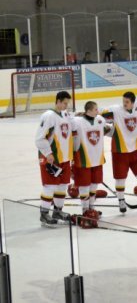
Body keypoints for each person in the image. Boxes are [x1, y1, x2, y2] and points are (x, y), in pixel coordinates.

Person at [101, 92, 137, 213]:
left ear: (133, 102)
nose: (124, 104)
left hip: (135, 150)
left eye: (127, 102)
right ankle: (121, 200)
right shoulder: (116, 110)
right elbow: (100, 113)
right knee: (120, 178)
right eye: (123, 101)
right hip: (120, 151)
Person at [36, 91, 74, 226]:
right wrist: (48, 153)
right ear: (57, 101)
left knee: (62, 186)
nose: (66, 106)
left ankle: (57, 211)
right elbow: (39, 138)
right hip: (51, 158)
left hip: (64, 157)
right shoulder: (49, 116)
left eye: (67, 103)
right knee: (50, 186)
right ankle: (44, 214)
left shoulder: (65, 114)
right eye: (64, 103)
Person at [71, 101, 112, 215]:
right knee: (84, 186)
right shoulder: (77, 122)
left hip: (97, 158)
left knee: (94, 184)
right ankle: (85, 210)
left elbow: (107, 129)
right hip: (83, 160)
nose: (97, 111)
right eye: (95, 109)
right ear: (88, 111)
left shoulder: (99, 119)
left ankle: (91, 207)